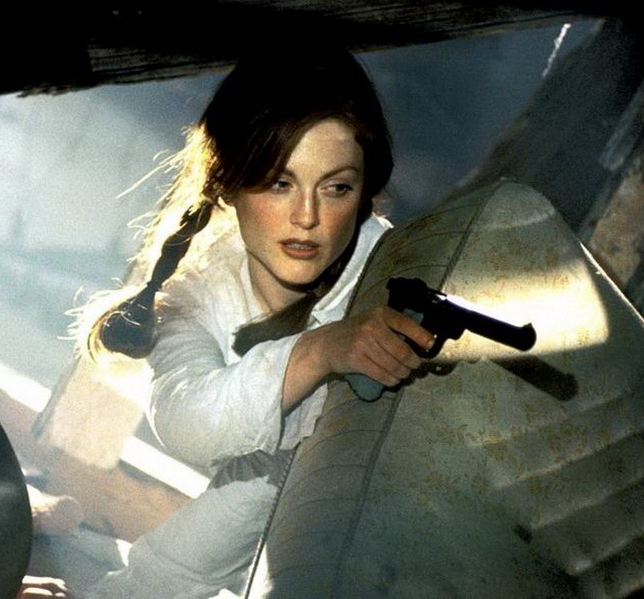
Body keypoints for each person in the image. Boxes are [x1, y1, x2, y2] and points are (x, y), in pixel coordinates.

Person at [70, 43, 434, 599]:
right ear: (229, 181)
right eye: (279, 183)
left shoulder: (396, 278)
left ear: (365, 191)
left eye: (336, 187)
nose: (307, 217)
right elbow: (193, 428)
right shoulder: (200, 290)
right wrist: (318, 352)